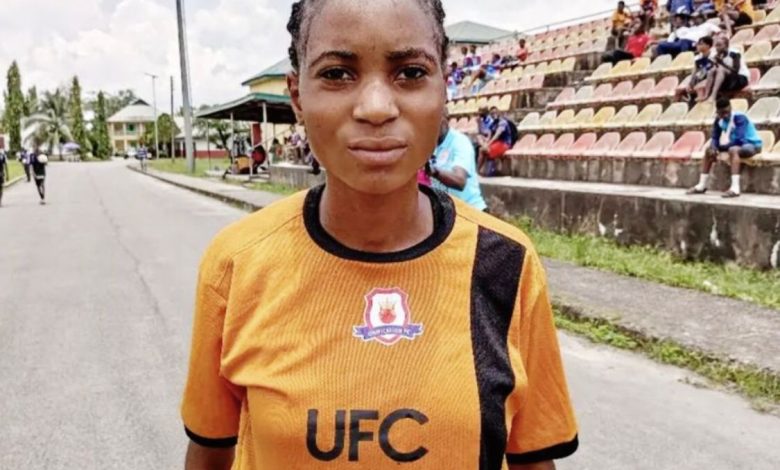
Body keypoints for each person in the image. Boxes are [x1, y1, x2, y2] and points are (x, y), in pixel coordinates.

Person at [180, 1, 578, 469]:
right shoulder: (237, 264)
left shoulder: (505, 263)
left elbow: (533, 459)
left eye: (410, 72)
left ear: (444, 87)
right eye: (337, 74)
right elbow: (209, 455)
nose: (375, 108)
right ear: (297, 95)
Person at [688, 98, 762, 197]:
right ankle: (701, 185)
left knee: (733, 150)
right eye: (722, 113)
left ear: (730, 108)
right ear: (717, 112)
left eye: (727, 112)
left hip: (752, 145)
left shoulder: (739, 117)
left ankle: (735, 189)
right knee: (709, 150)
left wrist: (721, 148)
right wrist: (714, 147)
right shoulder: (719, 120)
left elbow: (740, 140)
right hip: (736, 145)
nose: (725, 115)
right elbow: (715, 137)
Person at [431, 113, 488, 211]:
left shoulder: (460, 142)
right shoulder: (430, 144)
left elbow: (459, 181)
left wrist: (434, 171)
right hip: (448, 212)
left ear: (446, 119)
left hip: (470, 211)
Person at [699, 34, 749, 101]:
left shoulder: (734, 53)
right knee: (712, 70)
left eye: (719, 45)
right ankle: (706, 95)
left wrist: (722, 63)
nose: (717, 48)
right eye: (716, 45)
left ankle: (713, 95)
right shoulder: (717, 55)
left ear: (726, 46)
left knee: (721, 69)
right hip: (728, 79)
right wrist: (715, 63)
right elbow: (708, 71)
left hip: (740, 78)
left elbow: (735, 70)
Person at [478, 107, 516, 176]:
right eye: (492, 113)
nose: (494, 114)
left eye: (495, 113)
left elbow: (497, 135)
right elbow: (489, 136)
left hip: (504, 144)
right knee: (482, 148)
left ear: (499, 113)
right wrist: (485, 143)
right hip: (496, 143)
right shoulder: (493, 124)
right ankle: (478, 171)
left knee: (485, 150)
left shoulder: (502, 122)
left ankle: (489, 170)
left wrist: (488, 144)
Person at [681, 35, 716, 104]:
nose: (698, 46)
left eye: (701, 44)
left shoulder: (714, 56)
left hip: (712, 78)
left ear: (708, 45)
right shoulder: (697, 58)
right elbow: (694, 72)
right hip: (702, 77)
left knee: (699, 87)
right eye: (698, 44)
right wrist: (690, 83)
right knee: (681, 89)